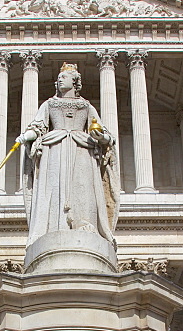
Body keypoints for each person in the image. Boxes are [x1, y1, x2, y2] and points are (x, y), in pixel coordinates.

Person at [16, 63, 119, 247]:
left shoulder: (86, 106)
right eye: (58, 78)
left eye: (64, 77)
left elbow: (104, 134)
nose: (59, 80)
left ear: (75, 81)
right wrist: (26, 136)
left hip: (82, 148)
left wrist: (100, 137)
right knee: (54, 186)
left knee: (83, 186)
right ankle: (55, 226)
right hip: (54, 148)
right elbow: (37, 126)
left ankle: (85, 223)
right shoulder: (49, 104)